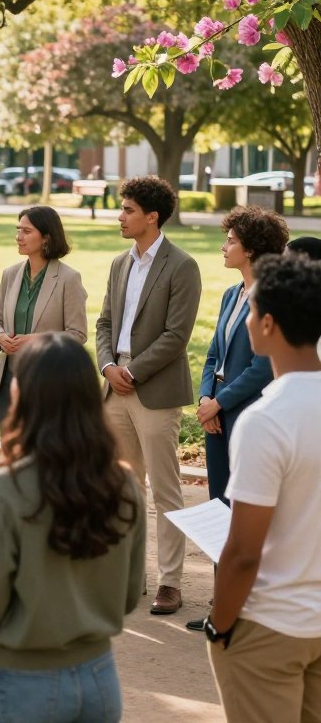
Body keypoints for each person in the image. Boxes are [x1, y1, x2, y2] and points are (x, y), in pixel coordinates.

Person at [0, 333, 145, 723]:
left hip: (22, 685)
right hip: (100, 680)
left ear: (25, 396)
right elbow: (128, 596)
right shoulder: (125, 485)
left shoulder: (4, 491)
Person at [205, 255, 321, 723]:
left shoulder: (265, 420)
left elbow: (243, 552)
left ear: (268, 324)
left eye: (252, 312)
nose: (247, 319)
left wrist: (219, 624)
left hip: (270, 625)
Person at [95, 175, 201, 616]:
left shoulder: (182, 266)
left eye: (127, 210)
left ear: (151, 217)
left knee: (165, 490)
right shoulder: (120, 263)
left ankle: (170, 583)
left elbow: (177, 335)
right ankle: (129, 577)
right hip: (114, 387)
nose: (120, 216)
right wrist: (108, 367)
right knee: (124, 488)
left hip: (154, 390)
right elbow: (103, 324)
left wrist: (133, 372)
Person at [185, 207, 288, 633]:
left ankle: (249, 609)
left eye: (230, 240)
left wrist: (221, 402)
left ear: (251, 248)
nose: (223, 246)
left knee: (248, 508)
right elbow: (213, 354)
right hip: (219, 410)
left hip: (246, 412)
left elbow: (263, 366)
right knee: (218, 509)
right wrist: (207, 396)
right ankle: (220, 603)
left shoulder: (274, 297)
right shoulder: (231, 294)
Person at [0, 205, 87, 425]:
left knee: (45, 454)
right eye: (18, 229)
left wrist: (34, 341)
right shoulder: (10, 274)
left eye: (26, 231)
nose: (18, 237)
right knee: (13, 453)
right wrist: (0, 337)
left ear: (46, 238)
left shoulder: (68, 279)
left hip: (48, 383)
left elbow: (77, 334)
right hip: (8, 381)